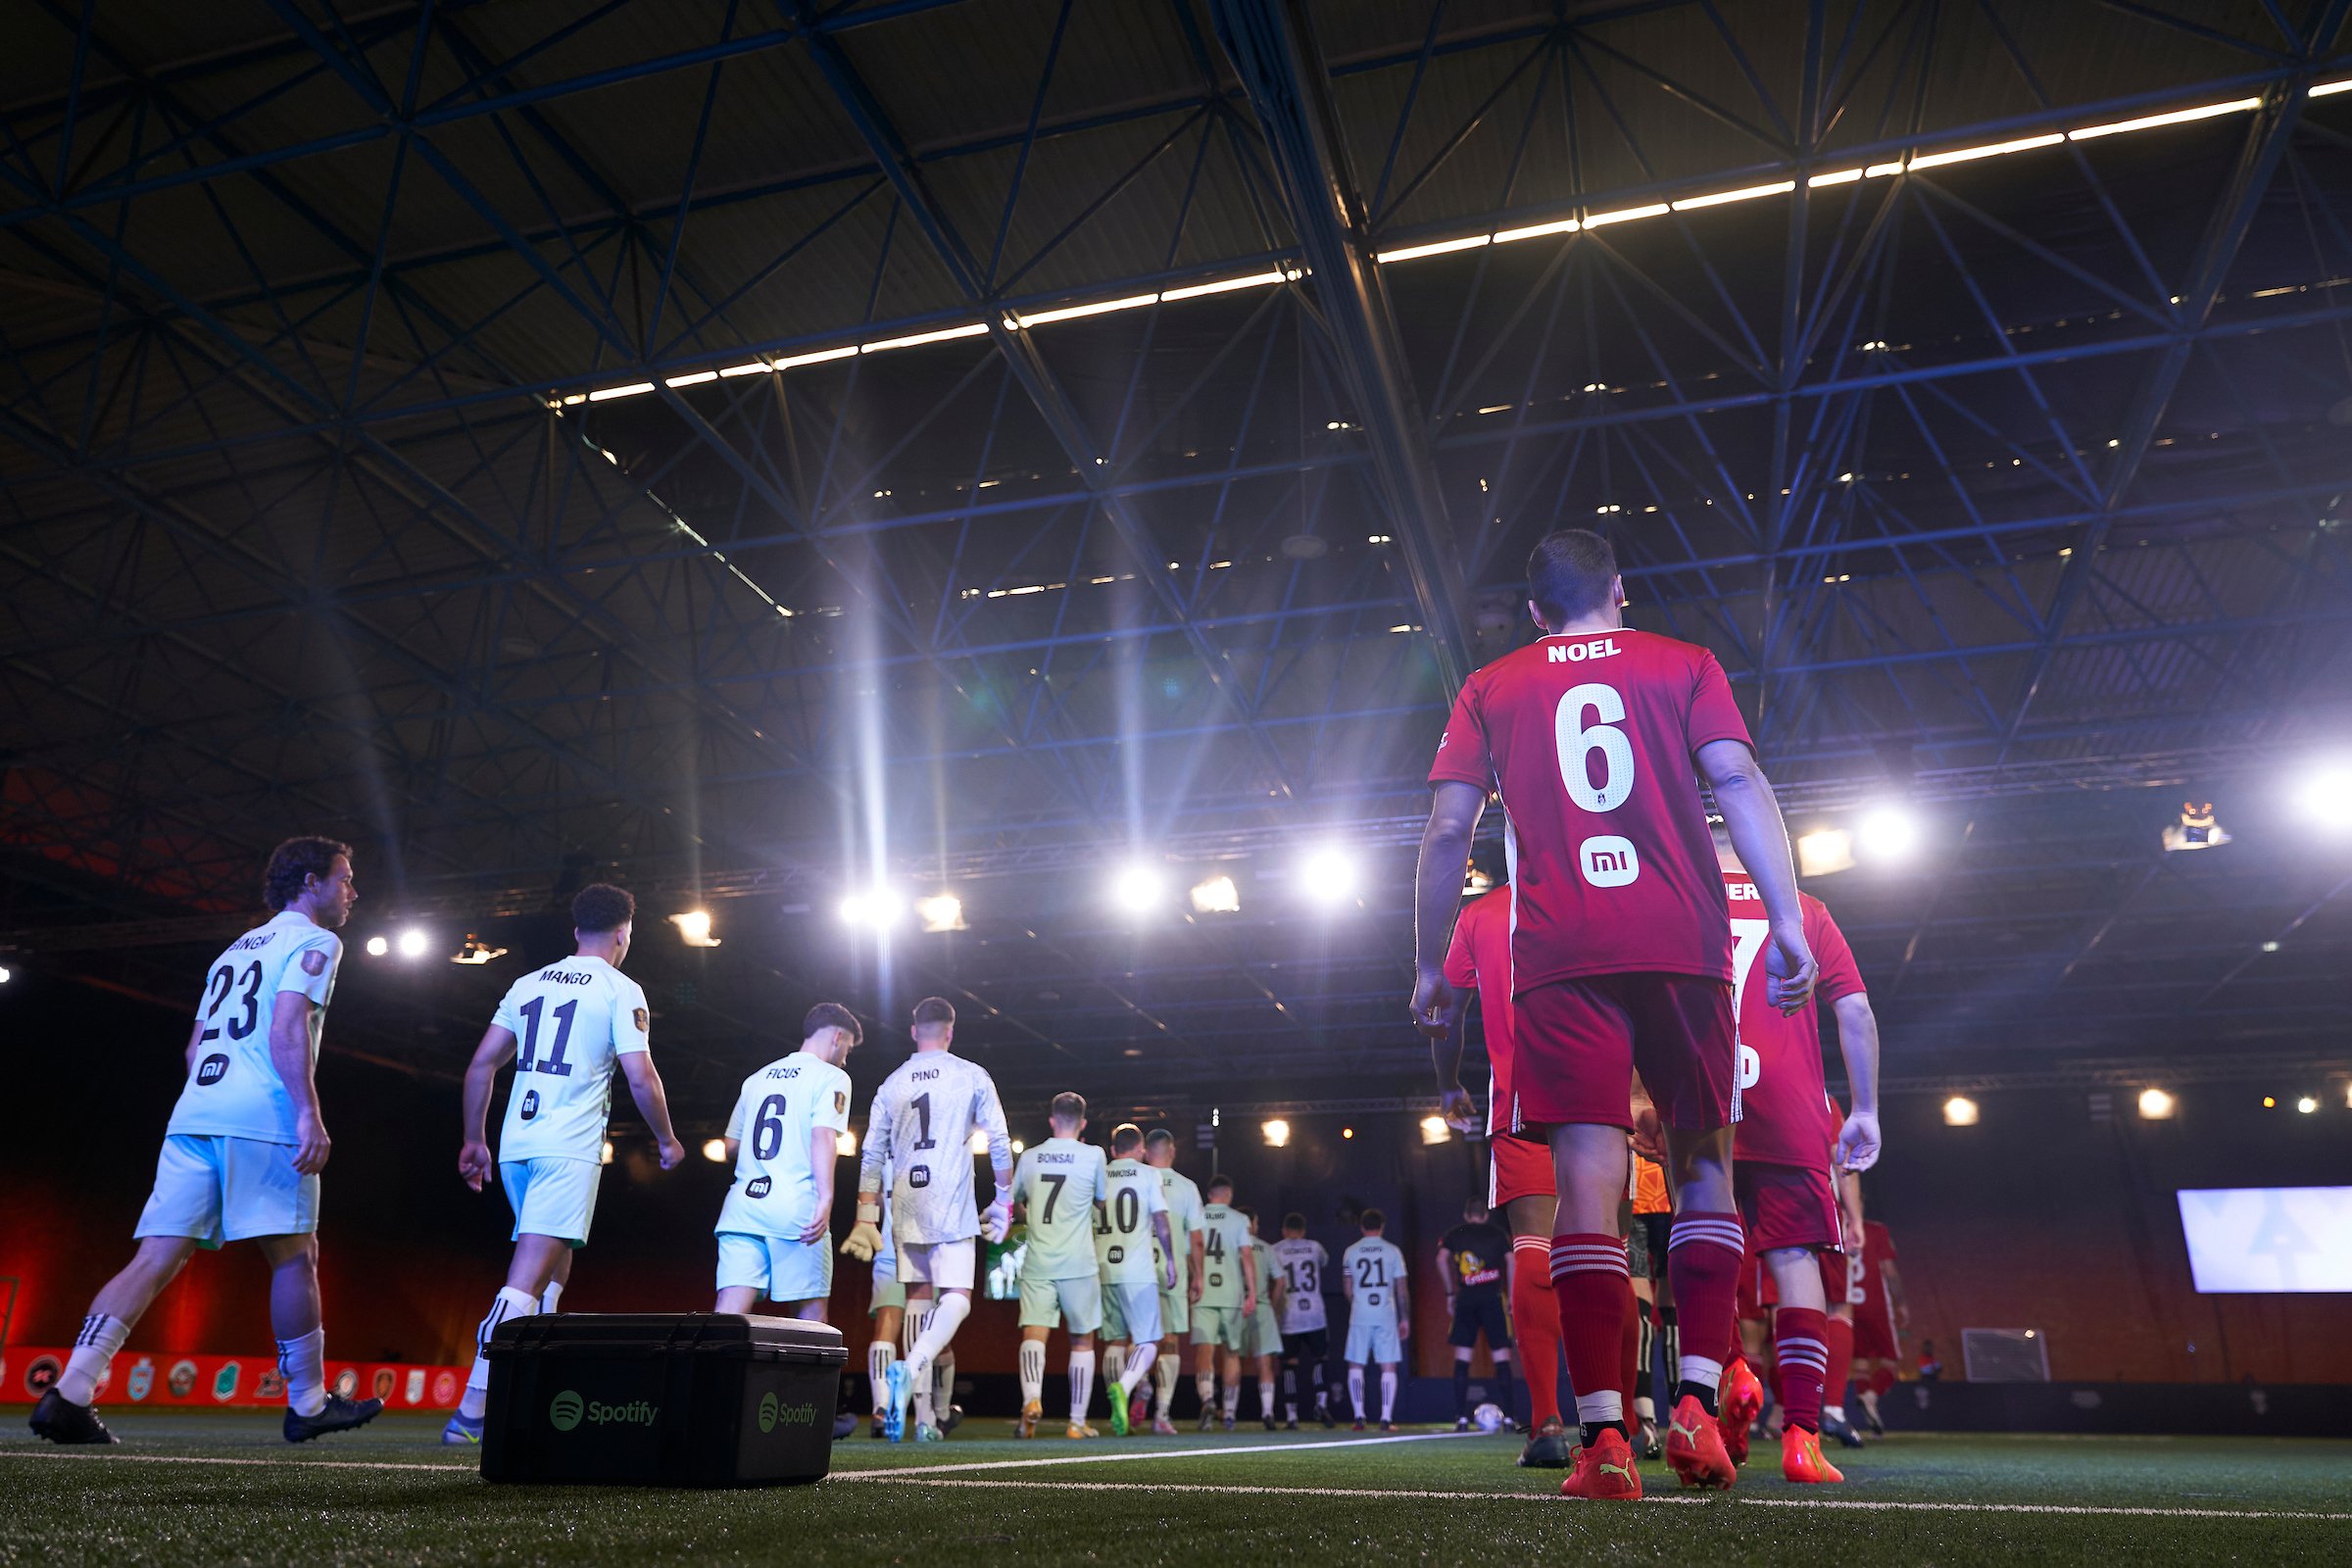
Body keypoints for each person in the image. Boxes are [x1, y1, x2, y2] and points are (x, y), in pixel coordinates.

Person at [1412, 528, 1818, 1500]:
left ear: (1536, 610)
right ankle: (1698, 1404)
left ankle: (1603, 1441)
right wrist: (1791, 920)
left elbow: (1444, 831)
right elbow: (1740, 782)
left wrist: (1429, 963)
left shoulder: (1489, 684)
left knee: (1588, 1185)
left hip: (1560, 957)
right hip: (1684, 939)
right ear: (1620, 589)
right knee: (1704, 1163)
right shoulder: (1686, 664)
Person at [30, 839, 378, 1446]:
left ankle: (71, 1391)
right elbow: (286, 1024)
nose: (353, 891)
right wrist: (307, 1113)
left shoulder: (233, 950)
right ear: (308, 882)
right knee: (296, 1255)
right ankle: (309, 1402)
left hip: (195, 1111)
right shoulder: (317, 940)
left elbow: (194, 1050)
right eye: (345, 879)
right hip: (259, 1113)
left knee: (154, 1256)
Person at [444, 883, 687, 1444]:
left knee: (554, 1269)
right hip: (566, 1149)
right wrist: (668, 1139)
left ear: (577, 931)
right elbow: (640, 1074)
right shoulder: (621, 989)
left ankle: (528, 1389)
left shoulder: (526, 984)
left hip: (515, 1148)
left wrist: (472, 1139)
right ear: (626, 933)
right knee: (525, 1281)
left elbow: (481, 1065)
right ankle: (474, 1409)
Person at [1710, 820, 1880, 1484]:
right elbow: (1856, 1011)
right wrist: (1864, 1109)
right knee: (1796, 1263)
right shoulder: (1806, 911)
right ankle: (1804, 1437)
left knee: (1707, 1254)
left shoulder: (1677, 893)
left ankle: (1726, 1395)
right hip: (1792, 1110)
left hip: (1706, 1101)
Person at [1434, 850, 1569, 1467]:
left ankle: (1547, 1424)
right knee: (1616, 1261)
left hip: (1524, 1102)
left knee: (1536, 1257)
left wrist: (1447, 1083)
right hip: (1610, 1100)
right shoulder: (1605, 883)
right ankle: (1624, 1424)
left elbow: (1445, 1012)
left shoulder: (1480, 914)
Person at [843, 997, 1011, 1443]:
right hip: (949, 1200)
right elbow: (997, 1137)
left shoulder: (891, 1083)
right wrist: (1004, 1198)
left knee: (917, 1298)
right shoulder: (971, 1074)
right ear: (950, 1032)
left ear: (914, 1030)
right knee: (956, 1299)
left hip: (904, 1203)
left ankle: (924, 1421)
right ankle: (913, 1373)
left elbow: (871, 1154)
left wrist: (865, 1215)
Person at [711, 1004, 861, 1321]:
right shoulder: (832, 1076)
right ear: (837, 1037)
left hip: (742, 1208)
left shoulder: (756, 1079)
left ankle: (709, 1372)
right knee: (810, 1316)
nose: (846, 1058)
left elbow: (730, 1146)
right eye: (847, 1047)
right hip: (795, 1207)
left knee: (727, 1313)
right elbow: (823, 1137)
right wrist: (826, 1198)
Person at [1010, 1093, 1108, 1439]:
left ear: (1052, 1120)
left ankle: (1032, 1401)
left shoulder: (1031, 1156)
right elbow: (1099, 1202)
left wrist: (1031, 1213)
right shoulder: (1094, 1154)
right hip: (1079, 1262)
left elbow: (1015, 1205)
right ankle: (1077, 1421)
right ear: (1083, 1123)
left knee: (1034, 1333)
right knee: (1082, 1340)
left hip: (1039, 1258)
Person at [1093, 1122, 1176, 1436]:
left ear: (1113, 1151)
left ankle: (1091, 1413)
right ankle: (1124, 1387)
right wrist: (1169, 1260)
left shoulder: (1099, 1173)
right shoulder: (1148, 1174)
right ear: (1141, 1150)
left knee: (1112, 1341)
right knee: (1148, 1342)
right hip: (1137, 1270)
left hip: (1101, 1267)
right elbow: (1161, 1222)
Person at [1142, 1127, 1204, 1435]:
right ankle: (1162, 1414)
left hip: (1135, 1272)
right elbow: (1196, 1240)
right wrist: (1198, 1277)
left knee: (1135, 1339)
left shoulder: (1135, 1179)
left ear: (1145, 1152)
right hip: (1171, 1273)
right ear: (1172, 1151)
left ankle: (1139, 1384)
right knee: (1170, 1341)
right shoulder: (1187, 1187)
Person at [1437, 1197, 1514, 1433]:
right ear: (1486, 1214)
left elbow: (1441, 1259)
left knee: (1463, 1358)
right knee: (1502, 1357)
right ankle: (1510, 1418)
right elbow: (1512, 1261)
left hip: (1466, 1300)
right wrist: (1511, 1295)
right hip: (1492, 1300)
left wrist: (1450, 1292)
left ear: (1466, 1215)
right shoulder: (1498, 1234)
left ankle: (1461, 1417)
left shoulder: (1455, 1233)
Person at [1190, 1177, 1259, 1430]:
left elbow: (1191, 1250)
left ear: (1209, 1195)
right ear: (1228, 1195)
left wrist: (1194, 1278)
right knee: (1231, 1354)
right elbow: (1246, 1256)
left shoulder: (1196, 1215)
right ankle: (1229, 1414)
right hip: (1231, 1293)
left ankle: (1208, 1399)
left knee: (1204, 1350)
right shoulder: (1240, 1220)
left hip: (1203, 1291)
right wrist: (1251, 1292)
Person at [1341, 1208, 1408, 1432]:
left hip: (1360, 1313)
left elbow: (1347, 1288)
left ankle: (1359, 1417)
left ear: (1362, 1226)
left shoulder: (1351, 1251)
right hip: (1385, 1313)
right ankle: (1386, 1419)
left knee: (1356, 1363)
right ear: (1382, 1226)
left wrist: (1359, 1304)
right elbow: (1401, 1288)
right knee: (1387, 1365)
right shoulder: (1393, 1252)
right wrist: (1404, 1318)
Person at [1847, 1204, 1909, 1434]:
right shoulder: (1875, 1230)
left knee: (1860, 1363)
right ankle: (1872, 1397)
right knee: (1890, 1361)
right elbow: (1890, 1272)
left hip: (1849, 1306)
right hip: (1876, 1305)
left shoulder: (1840, 1229)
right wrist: (1901, 1304)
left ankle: (1869, 1410)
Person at [1270, 1213, 1334, 1428]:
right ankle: (1321, 1404)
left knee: (1289, 1364)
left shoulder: (1276, 1249)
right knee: (1320, 1358)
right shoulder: (1315, 1247)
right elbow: (1324, 1262)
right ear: (1303, 1230)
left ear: (1284, 1231)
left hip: (1290, 1313)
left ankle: (1291, 1416)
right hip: (1315, 1313)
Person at [1239, 1208, 1286, 1429]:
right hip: (1261, 1307)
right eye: (1257, 1221)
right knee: (1264, 1363)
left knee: (1232, 1360)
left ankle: (1229, 1414)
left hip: (1236, 1308)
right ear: (1252, 1224)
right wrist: (1273, 1306)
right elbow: (1280, 1281)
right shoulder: (1265, 1248)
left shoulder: (1232, 1245)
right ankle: (1267, 1412)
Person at [865, 1179, 904, 1438]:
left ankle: (881, 1406)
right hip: (931, 1249)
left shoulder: (883, 1140)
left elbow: (873, 1198)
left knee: (886, 1327)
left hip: (891, 1247)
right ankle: (933, 1416)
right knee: (930, 1334)